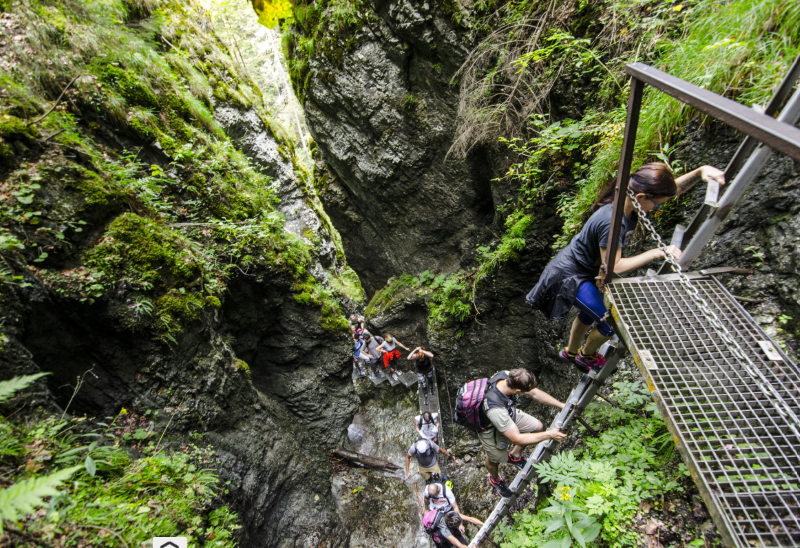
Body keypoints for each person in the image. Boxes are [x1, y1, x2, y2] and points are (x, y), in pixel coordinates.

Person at [526, 163, 725, 371]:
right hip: (570, 276)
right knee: (609, 322)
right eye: (657, 206)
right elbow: (616, 266)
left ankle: (571, 352)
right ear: (641, 197)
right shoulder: (612, 222)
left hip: (584, 269)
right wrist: (657, 251)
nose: (657, 209)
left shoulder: (627, 199)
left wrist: (700, 171)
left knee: (588, 313)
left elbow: (668, 191)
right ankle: (587, 356)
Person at [478, 368, 566, 498]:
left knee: (537, 427)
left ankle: (515, 455)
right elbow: (517, 439)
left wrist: (561, 405)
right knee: (494, 459)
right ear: (518, 391)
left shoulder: (508, 375)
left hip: (507, 412)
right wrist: (549, 434)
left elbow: (535, 394)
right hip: (491, 426)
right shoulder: (494, 407)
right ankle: (495, 479)